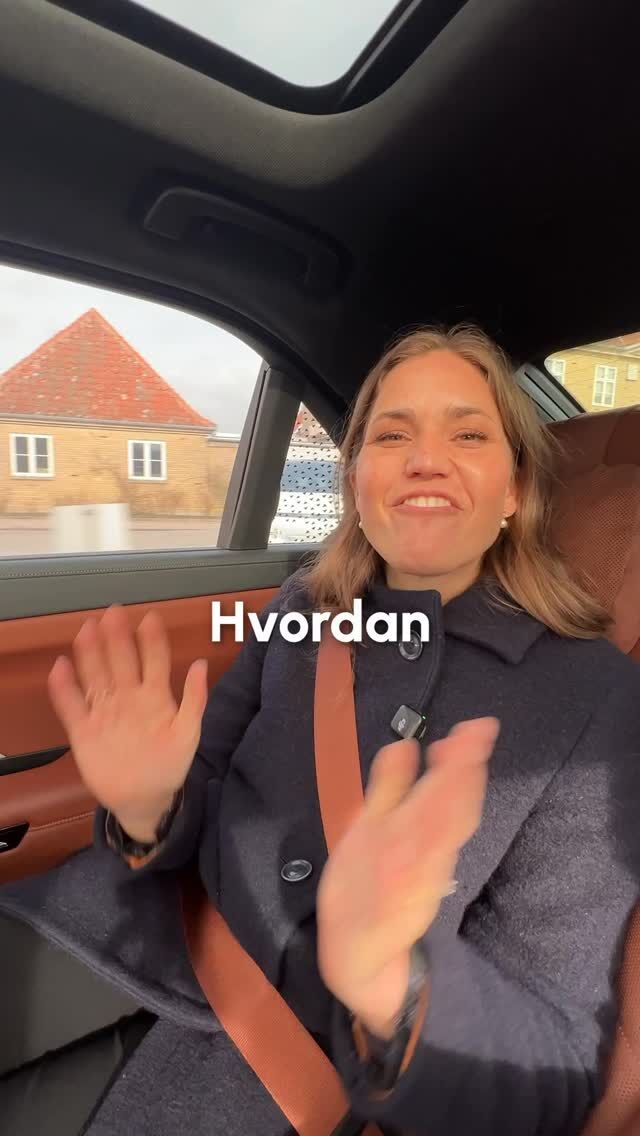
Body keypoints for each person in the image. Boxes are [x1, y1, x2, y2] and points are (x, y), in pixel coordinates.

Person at [1, 324, 639, 1136]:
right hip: (117, 933)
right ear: (357, 480)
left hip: (286, 1074)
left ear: (514, 490)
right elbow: (202, 791)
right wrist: (148, 808)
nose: (425, 458)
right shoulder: (304, 609)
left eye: (468, 434)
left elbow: (556, 1065)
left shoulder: (595, 697)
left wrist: (396, 984)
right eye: (391, 435)